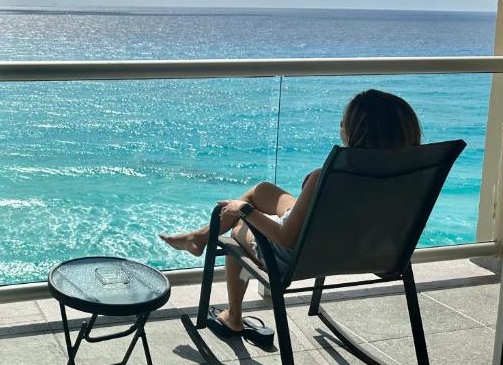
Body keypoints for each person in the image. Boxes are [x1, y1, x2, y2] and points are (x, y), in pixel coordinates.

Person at [160, 89, 422, 334]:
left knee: (238, 229)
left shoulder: (329, 177)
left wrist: (245, 211)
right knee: (262, 190)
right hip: (368, 248)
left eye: (344, 123)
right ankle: (199, 238)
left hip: (302, 255)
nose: (341, 128)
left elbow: (285, 239)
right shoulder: (414, 176)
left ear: (357, 133)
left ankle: (233, 317)